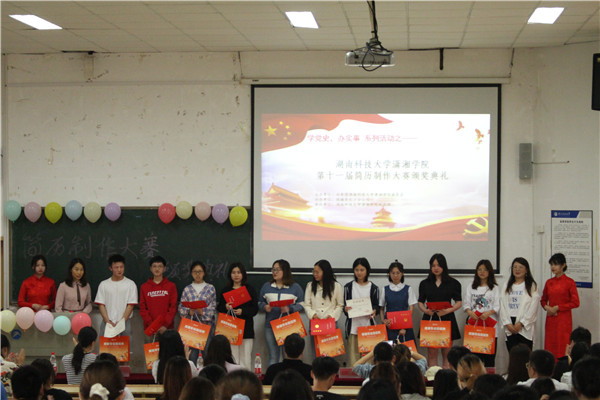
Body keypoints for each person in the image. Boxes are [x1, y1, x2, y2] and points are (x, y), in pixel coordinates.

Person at [417, 253, 462, 368]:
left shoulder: (453, 283)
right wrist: (426, 311)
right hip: (430, 319)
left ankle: (446, 377)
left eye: (438, 265)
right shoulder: (424, 283)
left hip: (447, 318)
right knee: (432, 354)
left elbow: (459, 302)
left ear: (444, 266)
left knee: (447, 354)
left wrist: (447, 311)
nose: (436, 268)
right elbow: (420, 302)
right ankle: (433, 377)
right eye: (433, 265)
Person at [258, 259, 304, 367]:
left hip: (289, 326)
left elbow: (302, 304)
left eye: (278, 270)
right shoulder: (267, 286)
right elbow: (259, 303)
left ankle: (289, 377)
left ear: (285, 271)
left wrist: (290, 309)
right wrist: (264, 307)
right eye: (273, 269)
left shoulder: (295, 287)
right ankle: (272, 377)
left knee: (288, 357)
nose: (275, 272)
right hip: (270, 326)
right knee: (273, 356)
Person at [216, 262, 259, 370]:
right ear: (230, 274)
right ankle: (233, 379)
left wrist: (242, 311)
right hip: (230, 329)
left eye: (239, 272)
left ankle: (246, 379)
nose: (236, 275)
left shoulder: (249, 289)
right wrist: (225, 307)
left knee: (246, 358)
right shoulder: (226, 290)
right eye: (233, 272)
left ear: (243, 274)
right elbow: (219, 308)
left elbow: (255, 309)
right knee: (232, 357)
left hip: (246, 329)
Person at [540, 253, 580, 360]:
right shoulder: (549, 282)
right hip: (551, 319)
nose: (553, 267)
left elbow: (576, 302)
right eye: (551, 264)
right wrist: (547, 307)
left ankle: (562, 367)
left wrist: (558, 307)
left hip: (563, 320)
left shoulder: (570, 282)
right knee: (550, 345)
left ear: (563, 265)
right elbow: (543, 300)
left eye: (556, 264)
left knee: (562, 345)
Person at [463, 259, 500, 367]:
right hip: (474, 326)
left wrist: (488, 313)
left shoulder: (494, 288)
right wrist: (470, 312)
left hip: (489, 326)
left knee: (489, 359)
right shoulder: (471, 286)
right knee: (474, 359)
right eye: (479, 269)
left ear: (489, 272)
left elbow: (497, 306)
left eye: (485, 269)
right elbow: (466, 304)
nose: (482, 272)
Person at [343, 257, 380, 365]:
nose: (359, 273)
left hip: (368, 328)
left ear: (367, 270)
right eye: (356, 270)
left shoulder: (374, 288)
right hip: (353, 328)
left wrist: (375, 311)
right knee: (354, 361)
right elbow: (344, 307)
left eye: (362, 270)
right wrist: (345, 309)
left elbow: (377, 306)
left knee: (369, 361)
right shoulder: (348, 287)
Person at [178, 261, 217, 364]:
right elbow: (181, 308)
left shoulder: (210, 288)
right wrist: (189, 311)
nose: (198, 274)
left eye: (200, 271)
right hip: (191, 327)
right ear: (191, 273)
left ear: (204, 273)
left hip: (206, 327)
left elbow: (213, 307)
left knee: (207, 354)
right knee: (192, 355)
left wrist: (202, 311)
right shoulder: (187, 289)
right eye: (195, 272)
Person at [303, 260, 344, 354]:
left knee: (331, 354)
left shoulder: (336, 286)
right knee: (317, 353)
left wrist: (332, 316)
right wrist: (313, 315)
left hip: (331, 323)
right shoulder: (310, 286)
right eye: (314, 271)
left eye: (317, 272)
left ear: (325, 272)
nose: (315, 274)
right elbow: (307, 305)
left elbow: (340, 305)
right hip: (315, 323)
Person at [499, 257, 540, 351]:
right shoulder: (506, 285)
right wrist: (507, 323)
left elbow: (533, 307)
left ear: (526, 270)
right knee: (513, 354)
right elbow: (502, 305)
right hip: (510, 324)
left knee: (525, 355)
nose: (517, 269)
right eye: (515, 267)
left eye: (520, 267)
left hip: (525, 325)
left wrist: (522, 323)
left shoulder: (531, 285)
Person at [94, 254, 138, 337]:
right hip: (107, 322)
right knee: (105, 345)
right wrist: (107, 321)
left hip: (125, 322)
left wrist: (122, 321)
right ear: (111, 268)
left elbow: (130, 305)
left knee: (126, 345)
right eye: (116, 267)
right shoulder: (104, 284)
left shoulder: (131, 284)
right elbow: (101, 305)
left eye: (121, 267)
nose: (119, 270)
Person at [139, 256, 178, 337]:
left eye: (160, 266)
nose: (157, 269)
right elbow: (142, 308)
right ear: (150, 268)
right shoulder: (144, 287)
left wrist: (165, 324)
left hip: (167, 328)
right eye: (154, 266)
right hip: (150, 328)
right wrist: (152, 325)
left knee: (168, 345)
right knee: (151, 345)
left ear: (164, 268)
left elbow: (173, 307)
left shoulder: (171, 286)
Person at [380, 260, 417, 343]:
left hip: (405, 327)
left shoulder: (408, 289)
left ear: (402, 273)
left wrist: (404, 326)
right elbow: (381, 308)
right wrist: (383, 321)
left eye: (398, 273)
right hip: (389, 326)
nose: (395, 275)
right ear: (389, 274)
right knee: (390, 349)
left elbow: (411, 308)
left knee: (406, 350)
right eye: (393, 273)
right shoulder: (385, 289)